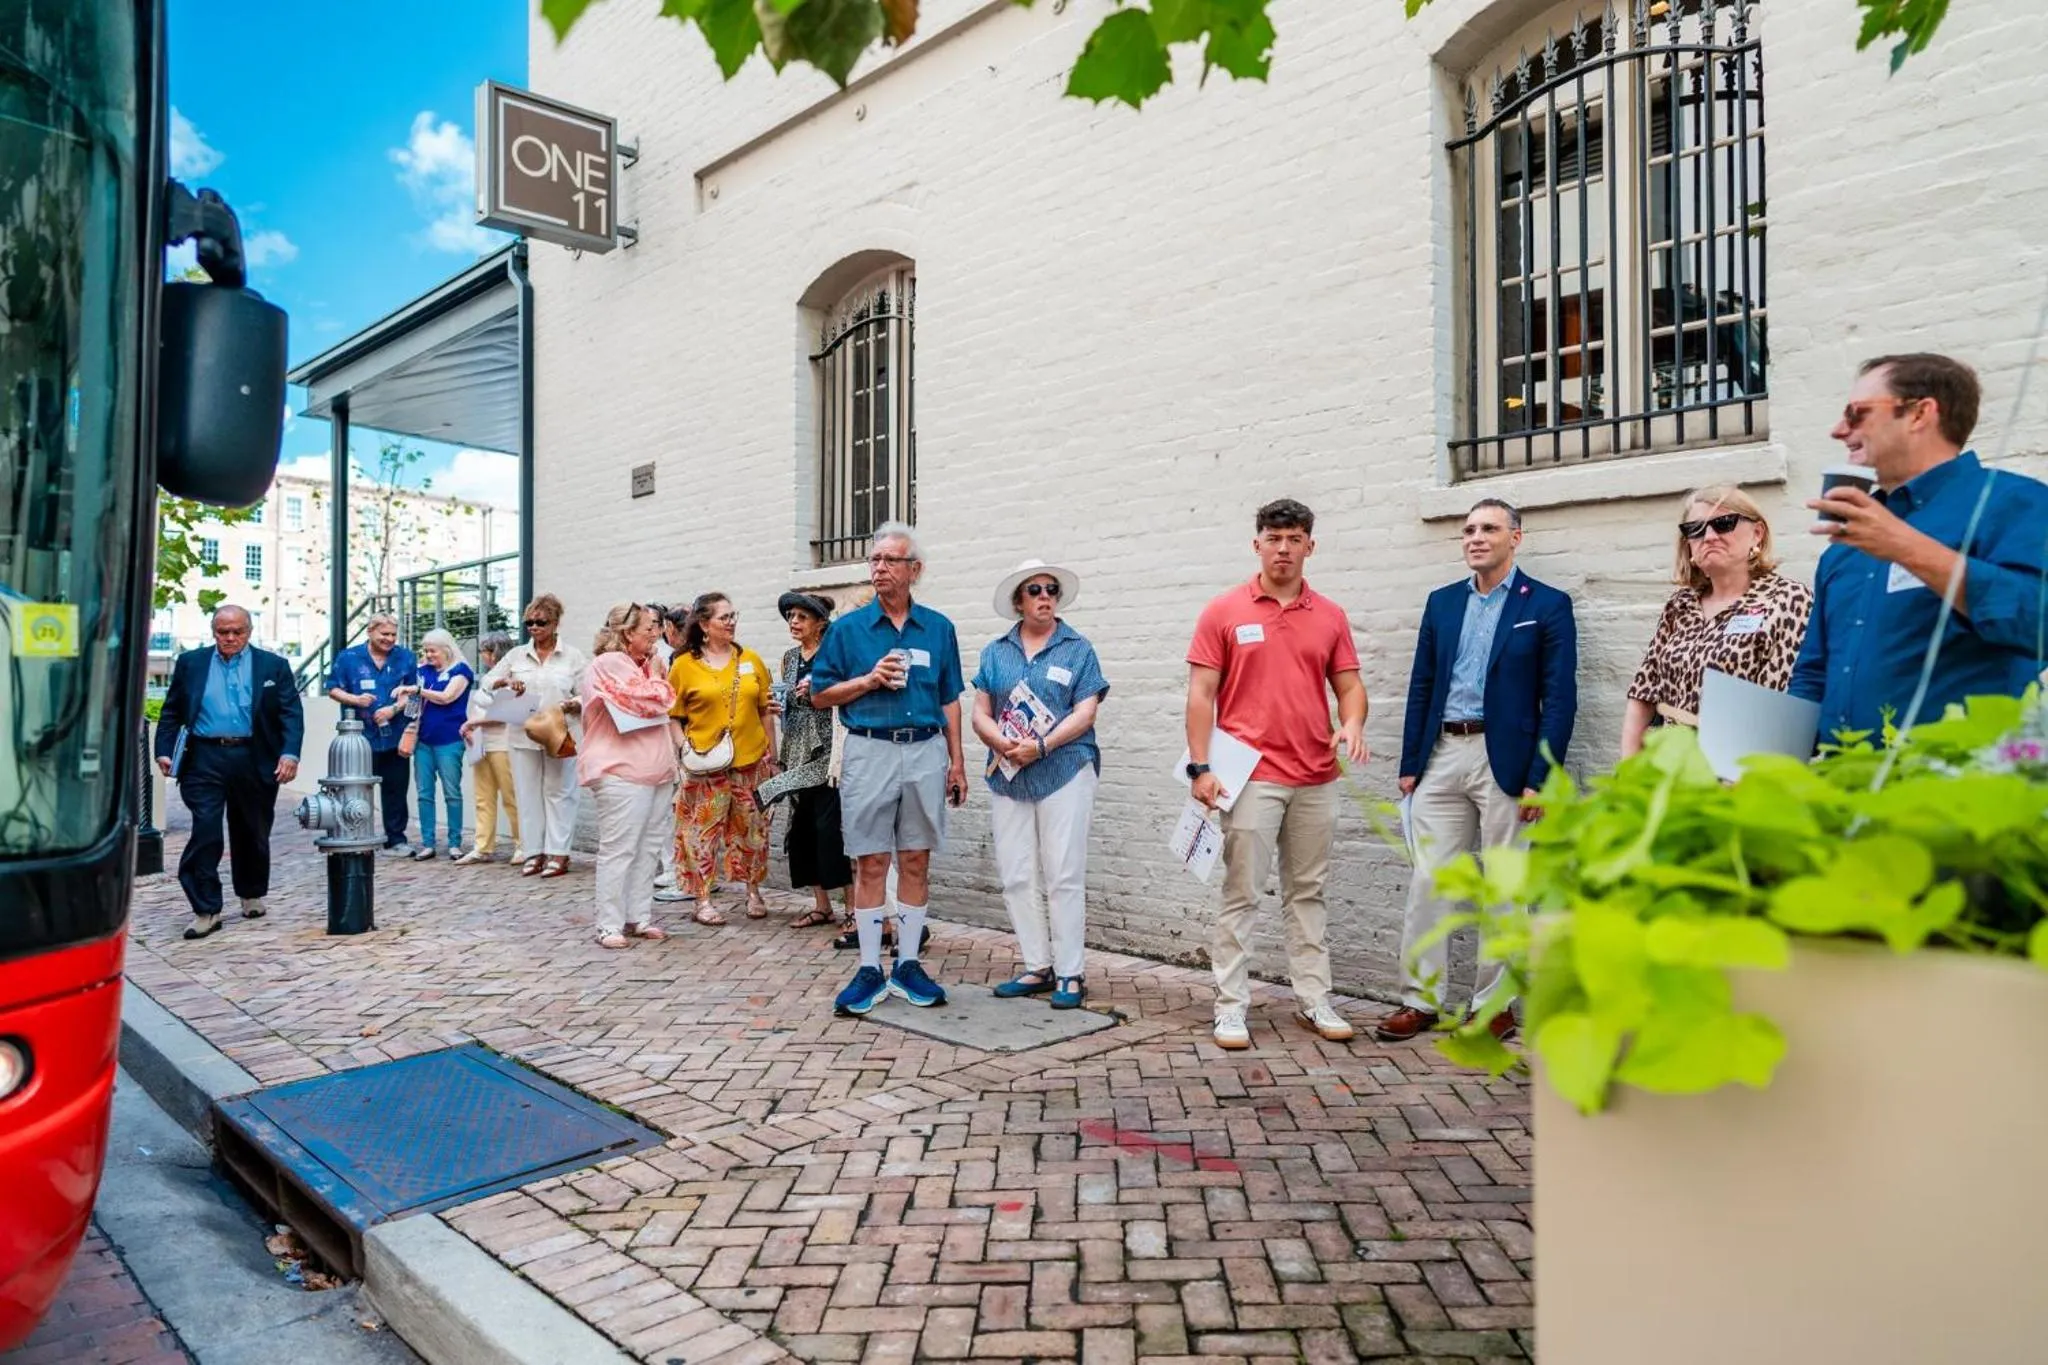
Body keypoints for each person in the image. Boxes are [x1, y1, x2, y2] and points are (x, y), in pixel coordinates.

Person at [1377, 499, 1578, 1043]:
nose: (1476, 538)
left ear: (1517, 536)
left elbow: (1558, 699)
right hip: (1443, 753)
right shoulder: (1442, 604)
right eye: (1468, 530)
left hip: (1507, 761)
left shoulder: (1549, 605)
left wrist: (1543, 774)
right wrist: (1410, 764)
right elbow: (1421, 684)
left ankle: (1494, 1008)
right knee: (1429, 880)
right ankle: (1420, 1000)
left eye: (1489, 528)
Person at [1186, 498, 1367, 1050]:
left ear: (1310, 545)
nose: (1282, 548)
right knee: (1242, 892)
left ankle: (1314, 999)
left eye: (1294, 539)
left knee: (1308, 892)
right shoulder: (1224, 610)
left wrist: (1353, 723)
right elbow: (1200, 694)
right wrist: (1201, 767)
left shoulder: (1330, 615)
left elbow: (1350, 687)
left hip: (1316, 774)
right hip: (1253, 776)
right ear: (1256, 543)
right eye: (1273, 538)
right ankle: (1231, 1007)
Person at [1794, 353, 2048, 739]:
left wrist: (1904, 545)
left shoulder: (2012, 502)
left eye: (1855, 413)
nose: (1837, 430)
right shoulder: (1847, 544)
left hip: (1962, 783)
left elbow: (2037, 623)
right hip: (1842, 781)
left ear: (1919, 414)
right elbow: (1813, 674)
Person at [811, 522, 967, 1016]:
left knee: (916, 859)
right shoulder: (847, 631)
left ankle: (907, 964)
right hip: (869, 748)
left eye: (889, 561)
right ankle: (868, 968)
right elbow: (819, 694)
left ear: (913, 571)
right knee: (872, 859)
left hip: (925, 749)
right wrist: (868, 680)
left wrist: (957, 761)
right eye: (874, 560)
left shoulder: (939, 628)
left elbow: (950, 700)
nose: (878, 568)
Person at [972, 560, 1110, 1011]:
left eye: (1051, 589)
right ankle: (1037, 965)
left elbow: (1085, 712)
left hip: (1065, 767)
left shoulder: (1077, 648)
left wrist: (1042, 746)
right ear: (1019, 601)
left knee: (1064, 872)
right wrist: (1001, 742)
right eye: (1034, 590)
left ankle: (1070, 972)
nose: (1045, 596)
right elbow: (980, 711)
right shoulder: (996, 652)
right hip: (1009, 773)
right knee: (1016, 873)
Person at [1621, 485, 1812, 757]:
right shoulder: (1680, 605)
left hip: (1741, 771)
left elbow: (1779, 706)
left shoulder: (1787, 599)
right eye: (1695, 529)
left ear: (1757, 534)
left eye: (1723, 523)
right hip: (1670, 768)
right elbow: (1643, 692)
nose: (1709, 536)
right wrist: (1628, 771)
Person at [154, 605, 303, 939]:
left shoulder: (273, 666)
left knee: (252, 828)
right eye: (224, 632)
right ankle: (206, 908)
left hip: (254, 755)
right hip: (204, 756)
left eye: (238, 631)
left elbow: (291, 714)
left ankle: (251, 891)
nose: (231, 638)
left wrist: (289, 753)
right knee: (206, 829)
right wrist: (163, 750)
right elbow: (172, 710)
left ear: (249, 631)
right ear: (213, 631)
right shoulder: (191, 663)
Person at [667, 592, 779, 925]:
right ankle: (702, 900)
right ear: (703, 624)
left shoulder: (751, 660)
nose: (732, 622)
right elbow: (672, 715)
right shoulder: (683, 666)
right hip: (705, 765)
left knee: (753, 831)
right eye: (724, 617)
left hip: (750, 762)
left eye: (733, 616)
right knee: (701, 833)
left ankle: (753, 891)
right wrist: (683, 749)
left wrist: (773, 754)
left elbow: (765, 712)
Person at [580, 603, 680, 949]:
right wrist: (658, 681)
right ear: (628, 633)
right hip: (620, 770)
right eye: (650, 627)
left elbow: (664, 702)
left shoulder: (653, 665)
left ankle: (640, 915)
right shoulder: (607, 664)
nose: (657, 633)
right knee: (619, 848)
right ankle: (608, 923)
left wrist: (657, 678)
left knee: (649, 847)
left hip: (657, 769)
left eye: (657, 627)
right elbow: (648, 702)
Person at [757, 591, 853, 932]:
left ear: (820, 623)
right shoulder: (788, 658)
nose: (794, 623)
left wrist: (818, 696)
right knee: (801, 832)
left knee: (832, 832)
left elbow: (845, 697)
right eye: (791, 617)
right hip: (796, 751)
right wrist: (776, 706)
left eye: (801, 617)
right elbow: (786, 706)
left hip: (829, 755)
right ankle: (821, 905)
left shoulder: (835, 654)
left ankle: (853, 909)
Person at [481, 593, 587, 878]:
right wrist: (503, 681)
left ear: (555, 623)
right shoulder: (516, 655)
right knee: (527, 794)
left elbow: (588, 693)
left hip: (559, 732)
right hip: (522, 732)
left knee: (560, 792)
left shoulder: (573, 656)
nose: (535, 627)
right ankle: (532, 852)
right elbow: (486, 682)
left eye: (541, 622)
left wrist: (573, 703)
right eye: (529, 622)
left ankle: (558, 853)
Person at [326, 613, 418, 855]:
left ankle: (396, 840)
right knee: (358, 789)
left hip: (395, 735)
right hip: (359, 738)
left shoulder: (406, 658)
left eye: (393, 635)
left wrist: (394, 708)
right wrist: (355, 699)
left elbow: (412, 693)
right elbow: (333, 688)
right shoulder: (349, 658)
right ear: (370, 632)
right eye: (384, 634)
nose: (389, 639)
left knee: (396, 789)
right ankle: (358, 838)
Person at [455, 632, 522, 864]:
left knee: (511, 796)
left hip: (503, 743)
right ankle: (483, 845)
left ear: (493, 652)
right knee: (483, 796)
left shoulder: (512, 677)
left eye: (484, 650)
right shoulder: (489, 677)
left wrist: (473, 723)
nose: (482, 655)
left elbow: (504, 714)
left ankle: (522, 844)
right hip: (481, 742)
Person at [408, 629, 473, 861]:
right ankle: (428, 842)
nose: (428, 654)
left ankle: (455, 842)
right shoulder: (423, 672)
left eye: (432, 650)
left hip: (449, 740)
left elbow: (447, 697)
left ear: (446, 649)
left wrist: (417, 690)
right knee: (424, 793)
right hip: (423, 740)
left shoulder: (461, 671)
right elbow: (412, 701)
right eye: (425, 650)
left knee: (452, 792)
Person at [653, 603, 694, 902]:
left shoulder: (677, 661)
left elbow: (671, 706)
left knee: (682, 812)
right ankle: (683, 871)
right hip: (685, 745)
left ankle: (685, 874)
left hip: (684, 746)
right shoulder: (683, 659)